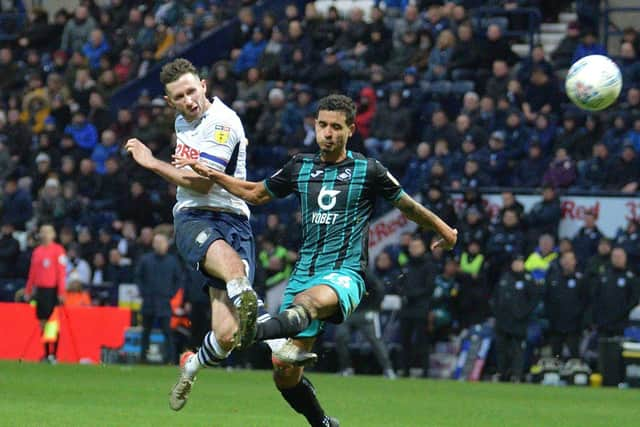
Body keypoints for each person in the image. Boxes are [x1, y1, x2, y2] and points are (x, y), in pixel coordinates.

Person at [174, 94, 458, 426]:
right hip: (304, 272)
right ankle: (322, 423)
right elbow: (255, 193)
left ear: (350, 130)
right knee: (284, 374)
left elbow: (407, 206)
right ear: (315, 126)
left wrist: (444, 229)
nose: (328, 133)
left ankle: (253, 330)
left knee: (309, 303)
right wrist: (211, 173)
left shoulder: (369, 170)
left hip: (345, 274)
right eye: (322, 125)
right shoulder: (300, 166)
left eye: (336, 127)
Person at [125, 58, 276, 411]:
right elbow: (196, 192)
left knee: (225, 336)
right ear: (170, 102)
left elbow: (205, 182)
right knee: (230, 266)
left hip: (234, 218)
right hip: (194, 216)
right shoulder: (182, 121)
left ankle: (190, 366)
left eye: (192, 91)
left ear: (204, 86)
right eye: (180, 96)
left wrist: (151, 163)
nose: (189, 100)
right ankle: (275, 334)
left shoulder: (223, 123)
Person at [334, 269, 396, 379]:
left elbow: (380, 289)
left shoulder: (364, 274)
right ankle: (346, 368)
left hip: (364, 312)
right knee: (340, 336)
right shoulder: (341, 274)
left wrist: (374, 307)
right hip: (348, 312)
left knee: (374, 339)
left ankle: (388, 369)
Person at [136, 233, 182, 364]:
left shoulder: (172, 261)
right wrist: (143, 292)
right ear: (153, 244)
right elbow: (138, 277)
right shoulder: (145, 260)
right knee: (146, 331)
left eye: (161, 242)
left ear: (167, 244)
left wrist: (170, 294)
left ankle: (170, 359)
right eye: (156, 242)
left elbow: (178, 280)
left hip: (164, 301)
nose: (159, 245)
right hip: (149, 300)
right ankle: (143, 358)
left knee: (167, 332)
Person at [23, 224, 67, 363]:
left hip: (52, 290)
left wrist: (61, 291)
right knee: (42, 323)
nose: (45, 235)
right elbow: (32, 273)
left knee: (52, 323)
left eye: (48, 232)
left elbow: (61, 273)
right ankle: (46, 353)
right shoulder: (37, 251)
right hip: (40, 291)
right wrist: (28, 290)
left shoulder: (58, 250)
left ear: (53, 235)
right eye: (43, 232)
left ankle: (54, 354)